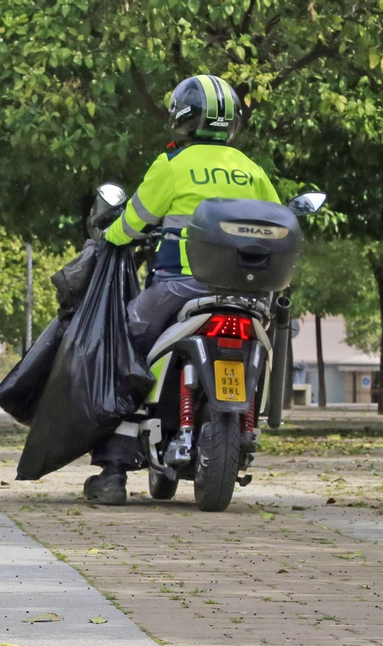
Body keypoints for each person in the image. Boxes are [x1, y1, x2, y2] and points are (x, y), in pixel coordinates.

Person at [83, 74, 282, 505]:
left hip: (181, 287)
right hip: (248, 296)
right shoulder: (251, 170)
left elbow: (134, 221)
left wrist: (107, 236)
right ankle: (250, 423)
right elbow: (278, 220)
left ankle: (114, 471)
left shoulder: (172, 165)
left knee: (124, 347)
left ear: (182, 117)